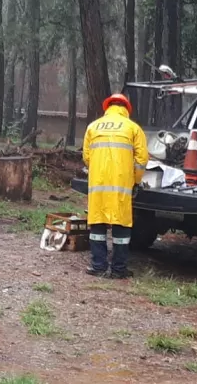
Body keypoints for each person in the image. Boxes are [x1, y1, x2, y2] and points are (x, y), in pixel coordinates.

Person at [82, 93, 148, 279]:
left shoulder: (93, 127)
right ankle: (119, 269)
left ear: (107, 107)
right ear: (126, 108)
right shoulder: (133, 128)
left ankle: (98, 266)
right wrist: (135, 180)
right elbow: (141, 159)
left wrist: (97, 171)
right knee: (121, 224)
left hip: (98, 184)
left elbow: (87, 157)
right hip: (121, 185)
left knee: (97, 223)